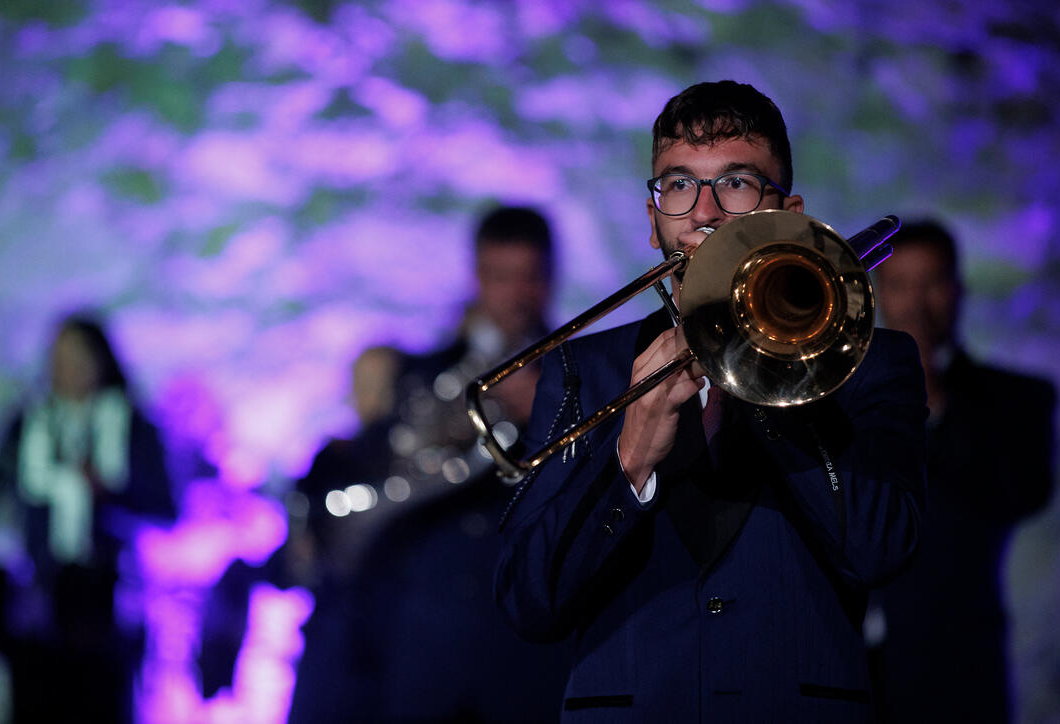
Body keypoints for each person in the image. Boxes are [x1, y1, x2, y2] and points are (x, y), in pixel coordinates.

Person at [495, 80, 928, 722]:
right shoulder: (581, 368)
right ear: (652, 222)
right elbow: (529, 601)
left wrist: (758, 363)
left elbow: (881, 549)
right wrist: (628, 462)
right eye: (677, 186)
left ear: (791, 213)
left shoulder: (873, 361)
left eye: (736, 183)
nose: (704, 213)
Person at [286, 205, 567, 723]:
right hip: (428, 626)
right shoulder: (424, 374)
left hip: (528, 633)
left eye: (530, 277)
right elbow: (383, 464)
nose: (516, 295)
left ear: (551, 279)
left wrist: (544, 412)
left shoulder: (581, 375)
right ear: (477, 276)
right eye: (500, 277)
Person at [866, 220, 1057, 723]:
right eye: (899, 285)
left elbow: (1022, 493)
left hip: (957, 675)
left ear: (957, 291)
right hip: (845, 678)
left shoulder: (1017, 400)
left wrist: (932, 396)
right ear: (878, 293)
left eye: (931, 283)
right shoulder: (841, 403)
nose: (915, 304)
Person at [0, 313, 176, 723]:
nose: (67, 369)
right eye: (59, 357)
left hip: (107, 599)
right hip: (40, 599)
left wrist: (108, 495)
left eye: (77, 357)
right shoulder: (30, 425)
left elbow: (164, 509)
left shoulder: (131, 427)